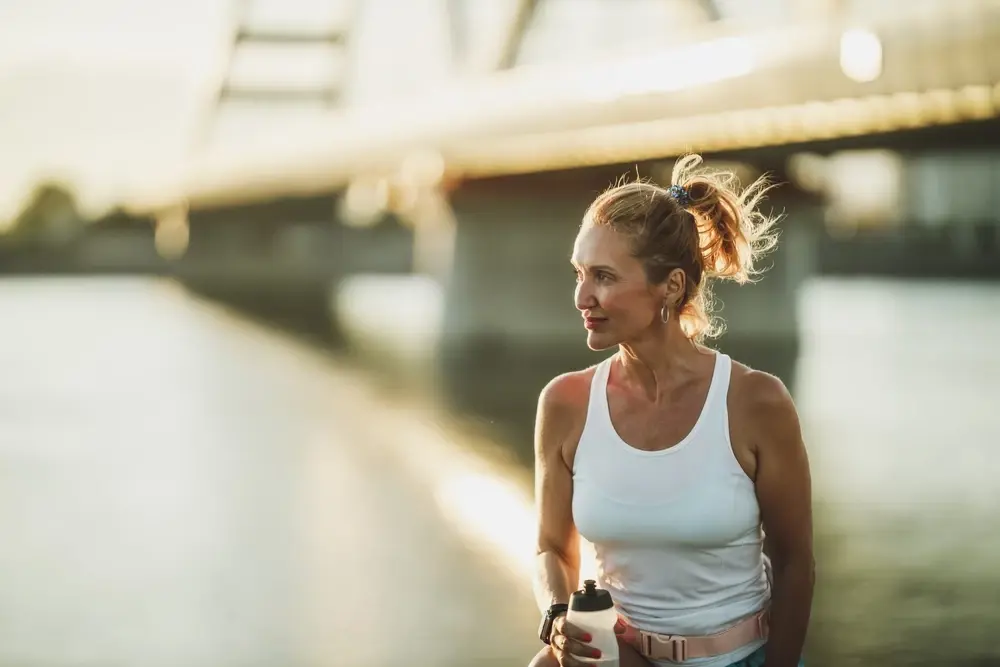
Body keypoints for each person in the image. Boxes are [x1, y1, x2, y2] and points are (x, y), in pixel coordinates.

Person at [529, 155, 814, 667]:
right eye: (579, 273)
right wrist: (555, 615)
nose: (581, 296)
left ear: (672, 286)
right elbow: (551, 546)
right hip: (616, 660)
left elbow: (795, 563)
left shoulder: (756, 402)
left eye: (604, 277)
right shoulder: (564, 404)